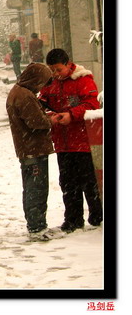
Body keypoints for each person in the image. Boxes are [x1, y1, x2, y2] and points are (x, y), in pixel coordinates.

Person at [39, 48, 103, 233]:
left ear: (68, 64)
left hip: (82, 142)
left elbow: (91, 104)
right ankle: (73, 219)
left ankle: (97, 217)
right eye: (52, 70)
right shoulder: (50, 83)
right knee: (67, 183)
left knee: (89, 182)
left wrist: (71, 115)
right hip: (62, 142)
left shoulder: (83, 80)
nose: (56, 74)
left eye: (58, 69)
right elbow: (42, 102)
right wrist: (51, 114)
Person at [6, 62, 57, 241]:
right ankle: (37, 226)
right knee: (36, 188)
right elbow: (36, 122)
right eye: (43, 82)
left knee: (30, 187)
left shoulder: (19, 92)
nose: (42, 86)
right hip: (33, 149)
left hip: (27, 149)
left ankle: (36, 224)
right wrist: (52, 120)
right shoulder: (24, 96)